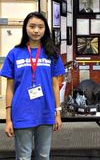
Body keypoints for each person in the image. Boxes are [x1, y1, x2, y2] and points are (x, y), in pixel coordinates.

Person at [0, 11, 65, 160]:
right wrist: (8, 119)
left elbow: (55, 85)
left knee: (43, 156)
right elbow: (9, 88)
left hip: (45, 112)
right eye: (32, 26)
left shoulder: (51, 53)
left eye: (40, 27)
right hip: (22, 113)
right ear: (26, 28)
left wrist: (58, 113)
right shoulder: (14, 54)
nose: (36, 30)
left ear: (45, 29)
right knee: (23, 156)